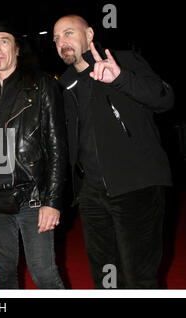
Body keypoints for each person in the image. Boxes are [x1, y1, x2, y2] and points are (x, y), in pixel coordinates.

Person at [53, 15, 174, 288]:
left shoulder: (122, 61)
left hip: (136, 187)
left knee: (139, 279)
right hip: (92, 196)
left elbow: (164, 98)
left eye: (69, 33)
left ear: (90, 34)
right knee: (106, 279)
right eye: (56, 39)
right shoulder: (65, 84)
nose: (62, 42)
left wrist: (121, 79)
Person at [0, 22, 67, 289]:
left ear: (17, 49)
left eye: (4, 41)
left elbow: (57, 147)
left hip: (33, 199)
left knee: (44, 276)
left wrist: (53, 200)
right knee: (3, 274)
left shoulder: (41, 86)